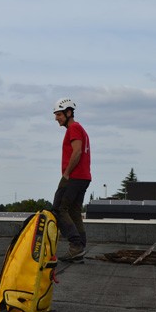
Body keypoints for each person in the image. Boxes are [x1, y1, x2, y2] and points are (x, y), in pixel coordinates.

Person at [52, 98, 91, 262]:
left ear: (69, 113)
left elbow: (77, 152)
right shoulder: (78, 128)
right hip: (83, 177)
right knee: (74, 211)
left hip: (74, 177)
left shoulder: (74, 128)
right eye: (56, 115)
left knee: (59, 209)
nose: (56, 118)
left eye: (59, 114)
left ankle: (75, 245)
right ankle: (80, 247)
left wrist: (66, 174)